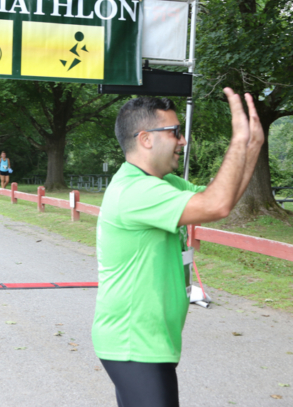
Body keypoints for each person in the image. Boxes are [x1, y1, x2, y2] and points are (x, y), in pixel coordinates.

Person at [92, 89, 264, 407]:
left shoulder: (162, 183)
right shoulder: (135, 191)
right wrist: (238, 142)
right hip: (134, 344)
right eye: (175, 132)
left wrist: (251, 147)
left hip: (151, 342)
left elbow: (224, 196)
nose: (182, 141)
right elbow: (218, 204)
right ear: (145, 139)